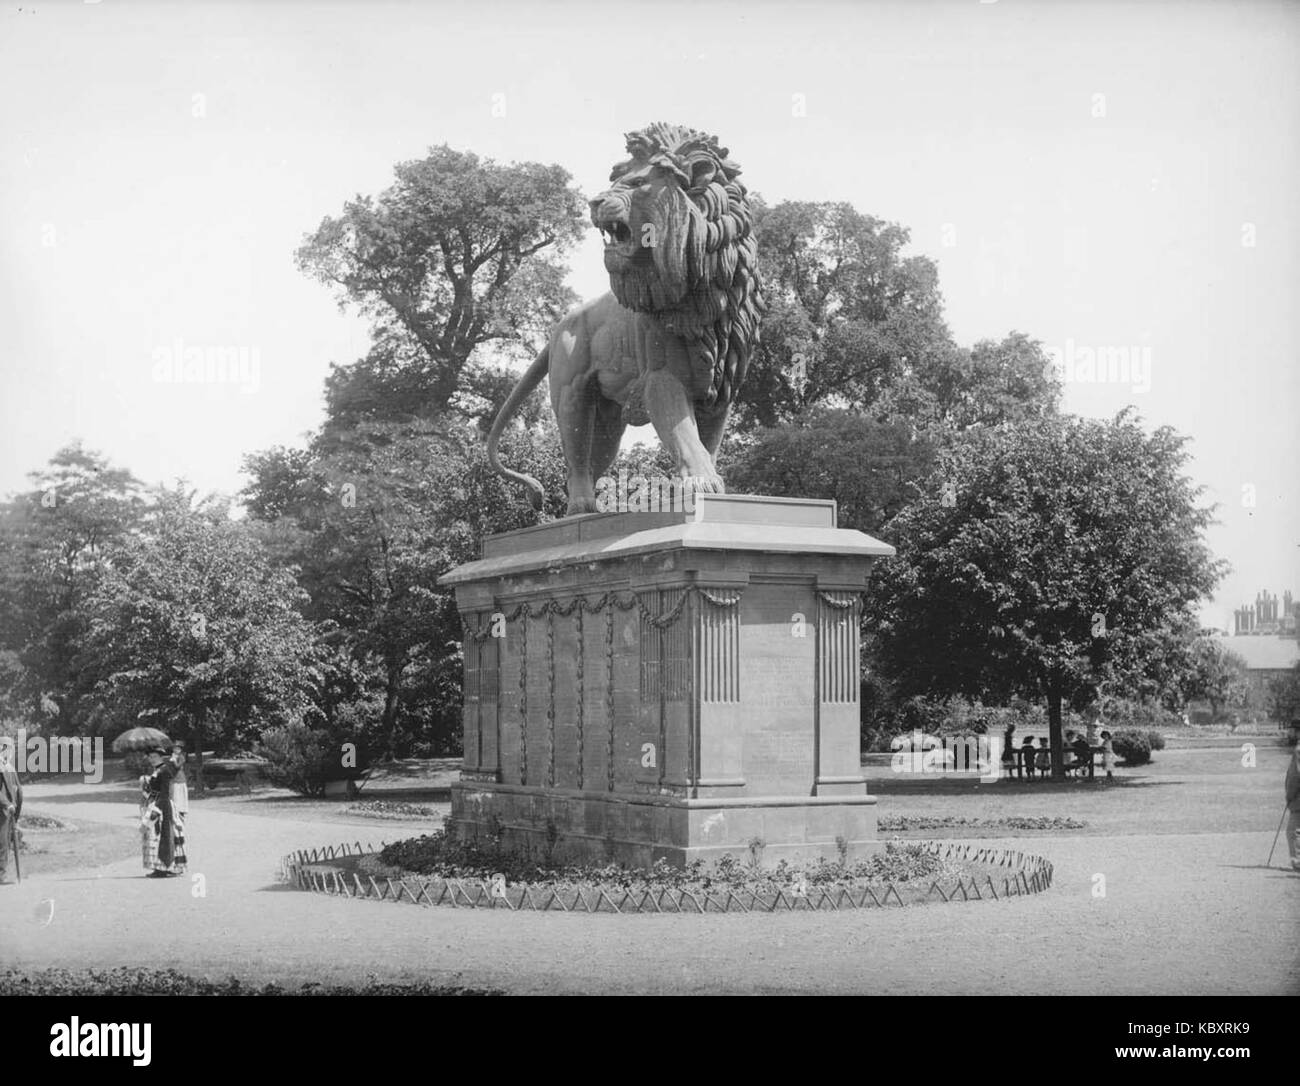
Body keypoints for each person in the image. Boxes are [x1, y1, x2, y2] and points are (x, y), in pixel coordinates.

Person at [142, 745, 189, 878]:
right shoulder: (157, 770)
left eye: (155, 757)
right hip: (158, 802)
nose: (152, 759)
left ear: (161, 757)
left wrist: (158, 806)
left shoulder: (164, 769)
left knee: (163, 833)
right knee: (156, 835)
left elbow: (164, 791)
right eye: (150, 757)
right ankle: (162, 867)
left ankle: (164, 868)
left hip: (163, 804)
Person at [0, 748, 21, 885]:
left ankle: (2, 874)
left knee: (5, 842)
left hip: (8, 811)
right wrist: (7, 804)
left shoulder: (7, 766)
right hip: (3, 810)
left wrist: (15, 807)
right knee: (2, 842)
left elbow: (17, 789)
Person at [1286, 730, 1300, 872]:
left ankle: (1297, 862)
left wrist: (1289, 796)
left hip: (1298, 799)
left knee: (1293, 831)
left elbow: (1295, 777)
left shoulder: (1298, 751)